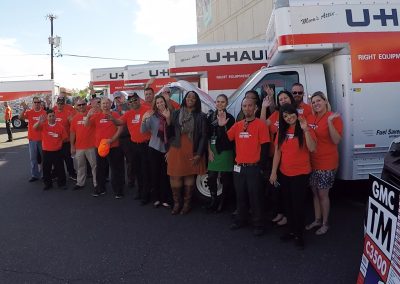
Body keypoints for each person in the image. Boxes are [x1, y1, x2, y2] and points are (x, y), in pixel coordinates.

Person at [219, 97, 270, 236]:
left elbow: (265, 147)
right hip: (239, 168)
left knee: (256, 197)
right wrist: (221, 126)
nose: (247, 108)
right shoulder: (237, 125)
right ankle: (241, 220)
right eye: (244, 106)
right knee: (240, 196)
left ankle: (258, 224)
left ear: (255, 108)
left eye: (249, 105)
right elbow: (224, 143)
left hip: (254, 167)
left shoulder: (261, 125)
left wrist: (261, 167)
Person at [269, 104, 317, 249]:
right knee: (288, 204)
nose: (289, 117)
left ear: (296, 113)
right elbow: (277, 152)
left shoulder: (304, 127)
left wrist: (305, 130)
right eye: (285, 116)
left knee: (298, 205)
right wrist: (273, 172)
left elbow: (312, 148)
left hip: (300, 174)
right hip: (284, 173)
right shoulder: (282, 131)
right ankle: (291, 231)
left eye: (291, 114)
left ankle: (299, 234)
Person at [306, 91, 343, 235]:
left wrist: (329, 123)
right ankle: (317, 219)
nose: (316, 104)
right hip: (311, 162)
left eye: (318, 101)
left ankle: (325, 223)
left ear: (325, 101)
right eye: (313, 102)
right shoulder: (310, 117)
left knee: (323, 194)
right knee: (314, 193)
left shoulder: (333, 118)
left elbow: (336, 140)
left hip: (327, 163)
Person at [167, 91, 208, 215]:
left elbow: (203, 136)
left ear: (197, 101)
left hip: (192, 149)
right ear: (185, 99)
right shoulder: (176, 113)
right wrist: (168, 149)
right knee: (175, 176)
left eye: (193, 98)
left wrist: (199, 154)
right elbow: (170, 133)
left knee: (189, 175)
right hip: (176, 148)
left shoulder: (201, 116)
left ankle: (186, 204)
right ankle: (177, 203)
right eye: (188, 96)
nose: (190, 99)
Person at [260, 90, 296, 226]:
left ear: (290, 99)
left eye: (285, 98)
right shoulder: (276, 114)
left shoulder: (294, 115)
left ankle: (288, 215)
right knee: (277, 187)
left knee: (287, 189)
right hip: (275, 156)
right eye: (280, 99)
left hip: (289, 157)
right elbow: (263, 125)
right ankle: (281, 212)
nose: (283, 100)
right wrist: (263, 107)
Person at [109, 93, 152, 204]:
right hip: (133, 145)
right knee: (137, 170)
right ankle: (139, 191)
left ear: (138, 100)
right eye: (131, 101)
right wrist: (112, 119)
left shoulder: (147, 109)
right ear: (129, 103)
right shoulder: (128, 113)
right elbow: (119, 122)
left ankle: (146, 195)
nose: (133, 103)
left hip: (146, 145)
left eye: (134, 100)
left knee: (145, 171)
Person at [85, 98, 124, 198]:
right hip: (100, 147)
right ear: (100, 105)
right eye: (103, 103)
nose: (105, 105)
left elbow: (120, 128)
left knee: (115, 169)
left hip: (113, 146)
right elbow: (86, 125)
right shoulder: (96, 116)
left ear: (110, 104)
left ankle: (118, 190)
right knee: (100, 169)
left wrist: (112, 139)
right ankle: (100, 189)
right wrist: (88, 116)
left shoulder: (115, 115)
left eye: (107, 103)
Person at [141, 94, 172, 208]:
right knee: (154, 174)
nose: (159, 104)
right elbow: (143, 131)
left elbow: (172, 131)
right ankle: (156, 198)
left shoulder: (171, 114)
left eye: (161, 102)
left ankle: (165, 198)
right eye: (157, 103)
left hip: (166, 149)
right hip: (153, 148)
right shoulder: (152, 116)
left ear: (165, 102)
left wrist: (168, 118)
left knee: (165, 175)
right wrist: (143, 120)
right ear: (155, 105)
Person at [205, 94, 235, 212]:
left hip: (226, 150)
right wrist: (208, 151)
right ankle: (213, 200)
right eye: (218, 101)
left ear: (226, 103)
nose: (220, 104)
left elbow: (232, 137)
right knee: (211, 176)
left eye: (222, 102)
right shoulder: (210, 117)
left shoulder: (230, 118)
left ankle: (223, 202)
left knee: (225, 178)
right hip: (212, 149)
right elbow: (207, 135)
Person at [33, 109, 67, 190]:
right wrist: (39, 121)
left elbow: (65, 138)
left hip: (57, 151)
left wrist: (58, 143)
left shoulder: (60, 126)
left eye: (53, 116)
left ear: (55, 116)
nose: (52, 117)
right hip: (46, 151)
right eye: (50, 116)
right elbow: (34, 128)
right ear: (47, 117)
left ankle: (61, 183)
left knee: (60, 168)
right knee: (46, 169)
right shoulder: (43, 125)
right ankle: (48, 184)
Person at [70, 98, 97, 190]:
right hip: (79, 147)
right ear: (76, 107)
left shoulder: (92, 115)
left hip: (91, 146)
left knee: (94, 166)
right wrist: (72, 145)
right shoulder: (74, 118)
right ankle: (80, 183)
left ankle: (96, 183)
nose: (81, 106)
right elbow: (72, 133)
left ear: (86, 105)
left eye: (83, 104)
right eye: (79, 105)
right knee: (80, 166)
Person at [20, 97, 47, 182]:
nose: (36, 104)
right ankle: (35, 175)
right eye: (35, 102)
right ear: (33, 103)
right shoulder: (29, 112)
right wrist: (24, 109)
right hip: (32, 139)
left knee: (44, 158)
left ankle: (44, 174)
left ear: (40, 103)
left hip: (42, 139)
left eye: (38, 102)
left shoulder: (44, 112)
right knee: (33, 158)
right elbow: (20, 117)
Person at [112, 91, 135, 188]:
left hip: (127, 138)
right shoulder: (112, 110)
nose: (118, 99)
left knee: (130, 161)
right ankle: (121, 181)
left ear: (123, 97)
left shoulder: (129, 107)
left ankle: (131, 180)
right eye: (116, 98)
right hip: (117, 138)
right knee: (118, 161)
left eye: (119, 97)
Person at [54, 96, 77, 180]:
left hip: (66, 141)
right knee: (57, 160)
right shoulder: (54, 113)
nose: (60, 105)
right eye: (59, 103)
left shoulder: (68, 113)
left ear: (64, 104)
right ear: (56, 104)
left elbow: (73, 127)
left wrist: (73, 142)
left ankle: (71, 173)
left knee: (68, 159)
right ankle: (57, 174)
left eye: (62, 103)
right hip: (56, 142)